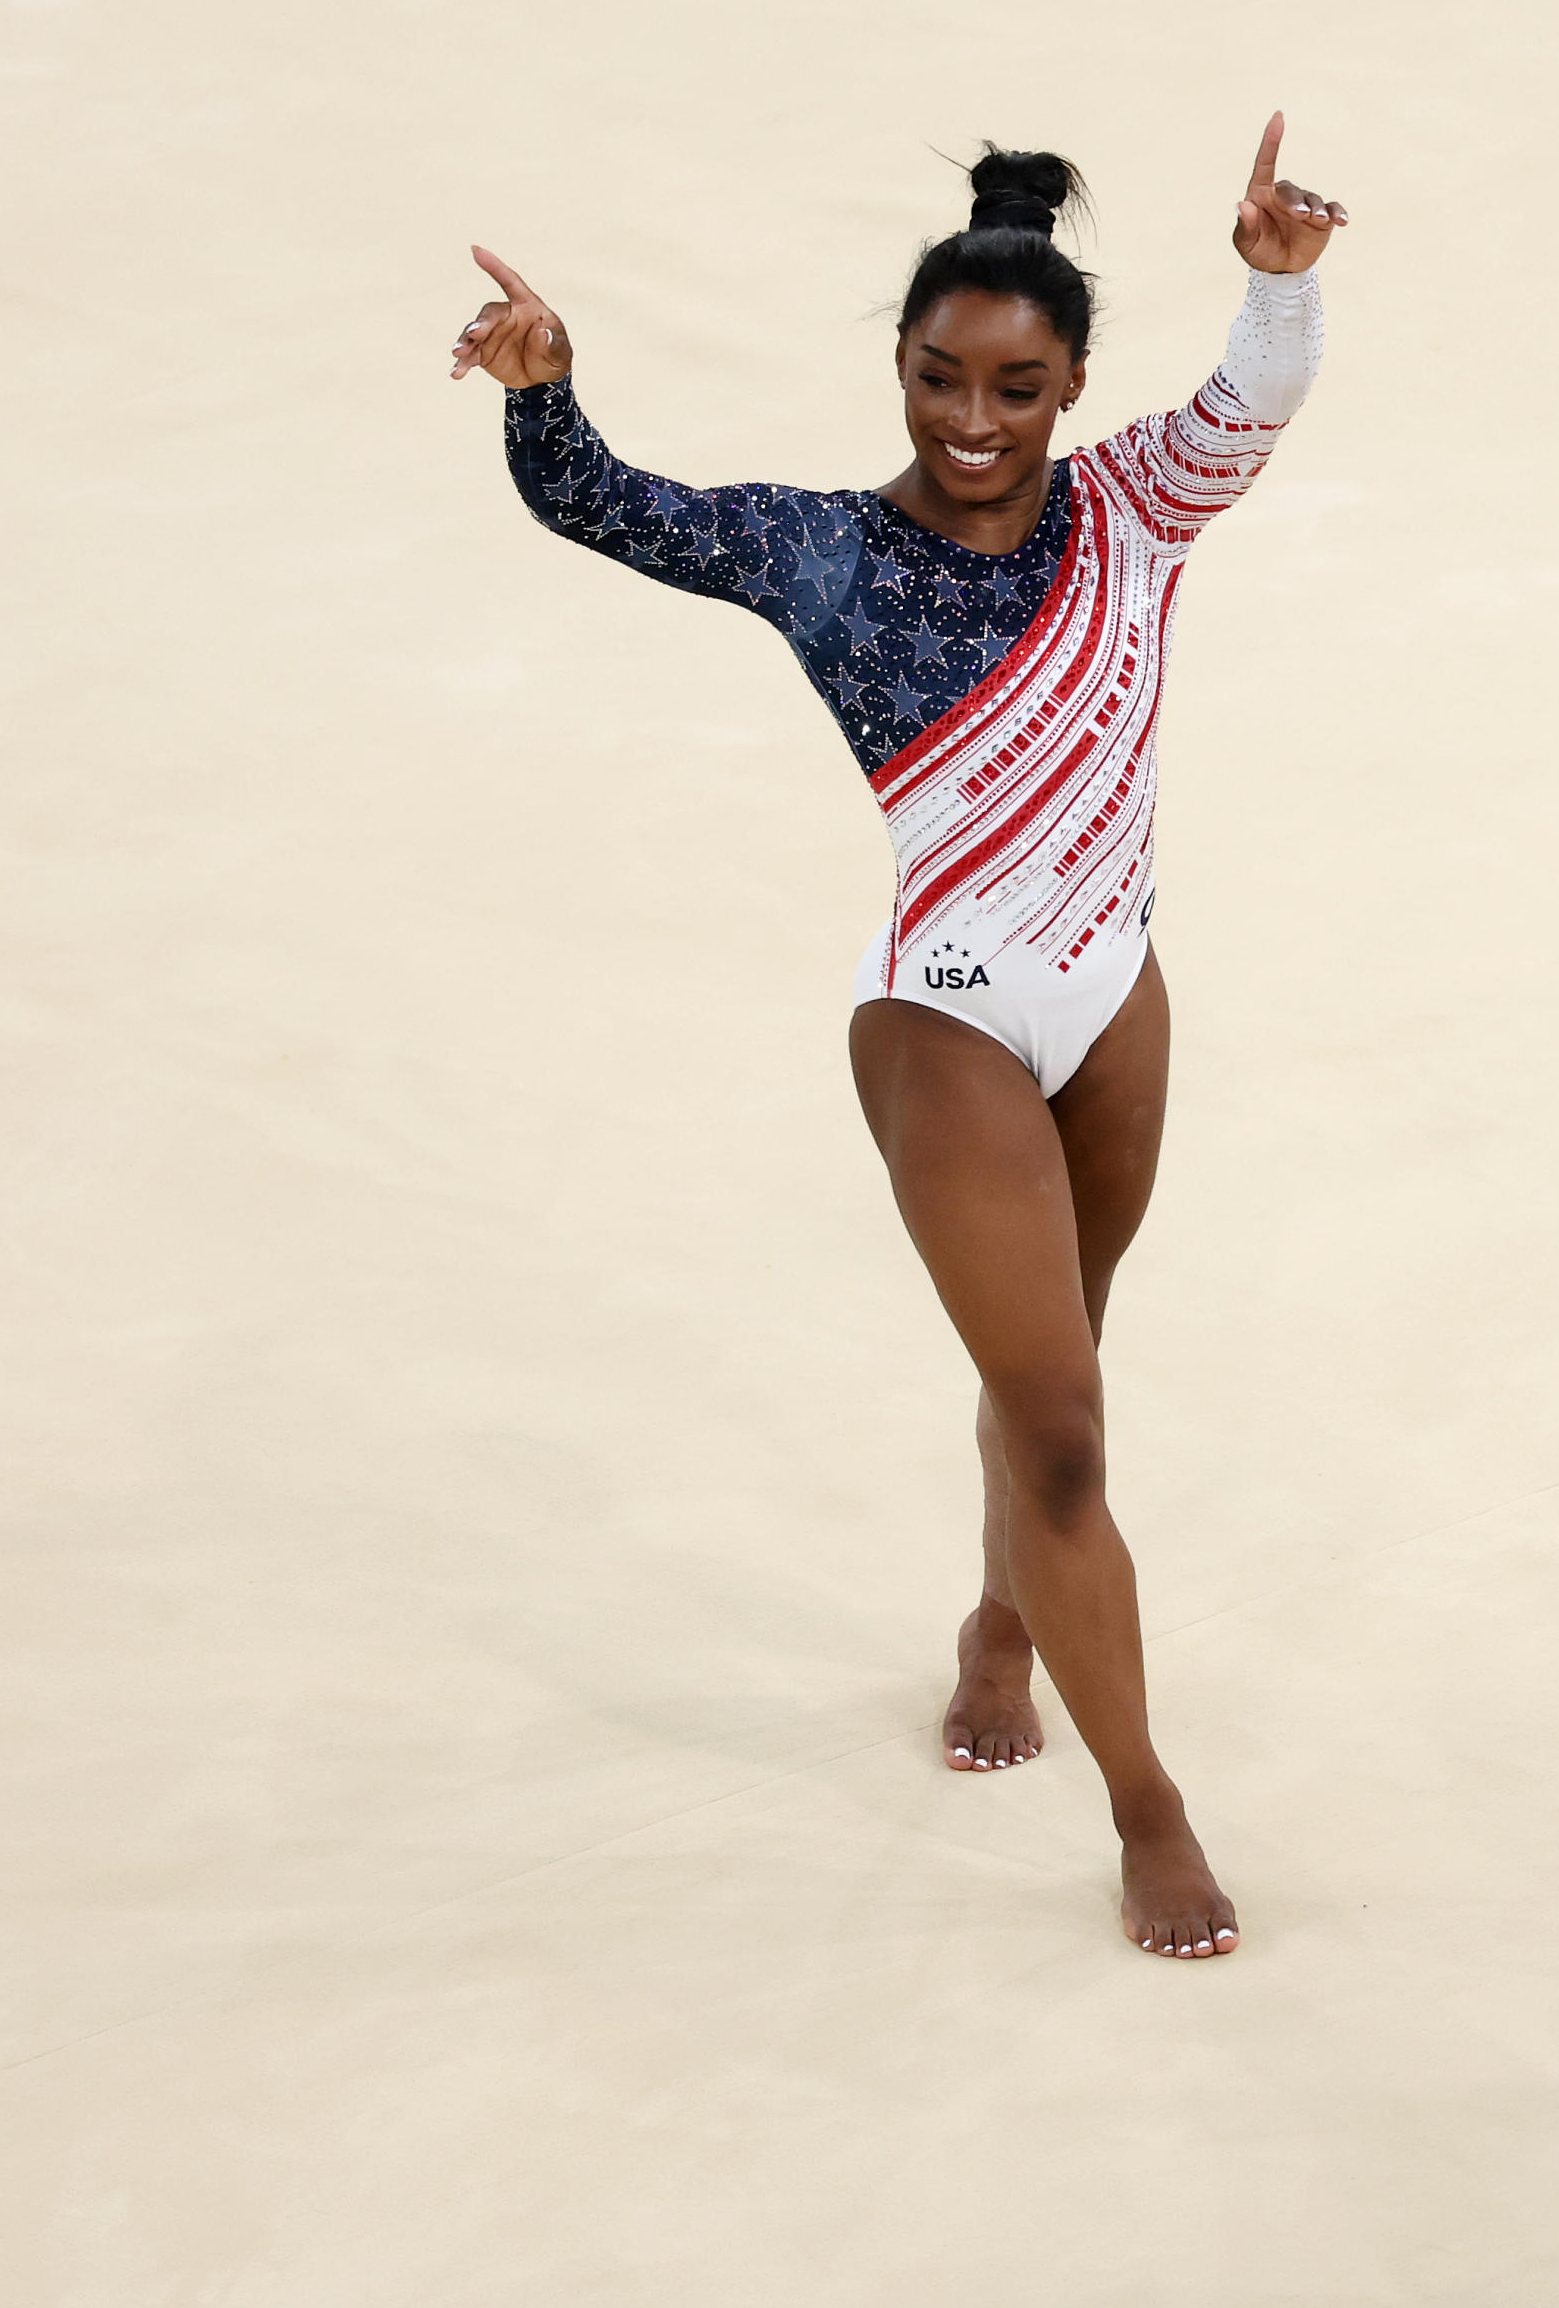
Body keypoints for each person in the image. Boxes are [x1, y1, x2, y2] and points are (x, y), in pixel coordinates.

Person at [448, 119, 1348, 1960]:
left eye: (1019, 385)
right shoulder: (828, 555)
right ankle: (1150, 1810)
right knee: (1073, 1440)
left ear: (1073, 385)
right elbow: (619, 508)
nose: (975, 416)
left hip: (1113, 993)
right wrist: (544, 397)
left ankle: (1003, 1624)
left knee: (1059, 1372)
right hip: (942, 1008)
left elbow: (1257, 393)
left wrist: (1276, 271)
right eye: (941, 375)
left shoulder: (1136, 507)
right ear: (901, 370)